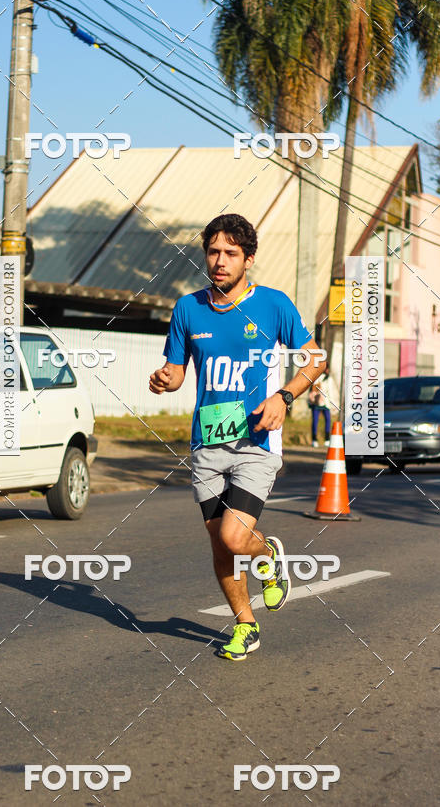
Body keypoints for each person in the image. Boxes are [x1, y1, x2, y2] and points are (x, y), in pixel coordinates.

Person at [149, 214, 325, 661]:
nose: (220, 260)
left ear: (249, 258)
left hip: (257, 444)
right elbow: (175, 373)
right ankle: (246, 625)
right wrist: (164, 378)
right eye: (213, 251)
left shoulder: (273, 305)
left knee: (233, 536)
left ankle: (268, 554)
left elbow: (314, 359)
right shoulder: (188, 308)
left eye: (230, 252)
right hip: (207, 442)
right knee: (218, 542)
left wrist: (285, 396)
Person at [309, 367, 332, 447]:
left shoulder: (329, 378)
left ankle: (327, 439)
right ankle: (314, 439)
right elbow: (314, 388)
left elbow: (331, 391)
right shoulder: (317, 377)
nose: (327, 370)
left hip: (326, 403)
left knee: (328, 420)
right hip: (317, 402)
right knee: (315, 421)